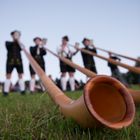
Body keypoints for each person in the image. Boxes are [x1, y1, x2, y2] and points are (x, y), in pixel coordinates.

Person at [3, 30, 25, 96]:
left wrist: (18, 41)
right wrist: (15, 40)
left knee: (20, 75)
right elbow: (8, 46)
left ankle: (22, 91)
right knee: (8, 75)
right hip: (10, 61)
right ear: (12, 35)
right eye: (15, 34)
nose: (16, 36)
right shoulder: (8, 42)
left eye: (17, 35)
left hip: (19, 61)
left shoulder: (19, 44)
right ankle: (6, 91)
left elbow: (23, 48)